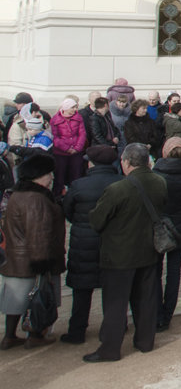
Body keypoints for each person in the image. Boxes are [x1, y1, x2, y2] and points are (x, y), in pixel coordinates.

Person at [82, 143, 166, 362]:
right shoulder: (159, 182)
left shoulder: (118, 189)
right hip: (148, 250)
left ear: (127, 162)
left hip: (119, 254)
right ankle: (145, 341)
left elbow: (97, 220)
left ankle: (110, 348)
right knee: (146, 299)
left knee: (115, 304)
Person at [0, 153, 66, 350]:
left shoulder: (17, 195)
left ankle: (9, 336)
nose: (51, 177)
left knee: (15, 300)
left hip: (15, 258)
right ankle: (35, 334)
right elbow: (38, 234)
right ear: (39, 175)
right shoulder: (37, 199)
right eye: (49, 174)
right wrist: (42, 264)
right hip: (33, 260)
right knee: (38, 297)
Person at [60, 146, 124, 344]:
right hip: (114, 242)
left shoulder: (79, 185)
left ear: (92, 163)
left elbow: (67, 211)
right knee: (113, 289)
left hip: (83, 242)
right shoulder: (122, 183)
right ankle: (116, 326)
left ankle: (77, 331)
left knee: (82, 289)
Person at [152, 137, 181, 331]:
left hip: (161, 226)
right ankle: (167, 314)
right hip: (180, 226)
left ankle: (156, 313)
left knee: (155, 272)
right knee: (174, 272)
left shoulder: (157, 173)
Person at [50, 98, 89, 194]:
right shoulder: (55, 120)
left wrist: (77, 148)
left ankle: (75, 193)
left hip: (76, 152)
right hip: (60, 153)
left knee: (76, 174)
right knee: (60, 175)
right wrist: (66, 148)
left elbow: (82, 134)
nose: (75, 109)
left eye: (76, 107)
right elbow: (55, 137)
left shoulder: (78, 118)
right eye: (73, 107)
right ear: (66, 108)